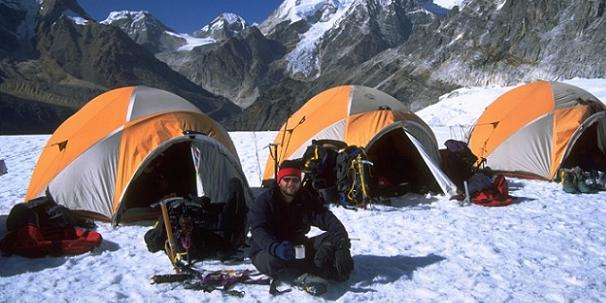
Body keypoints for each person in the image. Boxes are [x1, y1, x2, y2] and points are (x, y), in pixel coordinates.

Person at [249, 160, 354, 290]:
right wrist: (275, 247)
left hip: (297, 247)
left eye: (295, 180)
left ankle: (319, 267)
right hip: (267, 250)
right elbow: (259, 230)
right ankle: (301, 276)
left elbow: (326, 218)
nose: (291, 184)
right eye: (286, 179)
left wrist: (342, 244)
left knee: (332, 237)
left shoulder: (305, 198)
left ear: (300, 182)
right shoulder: (265, 201)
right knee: (274, 260)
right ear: (279, 180)